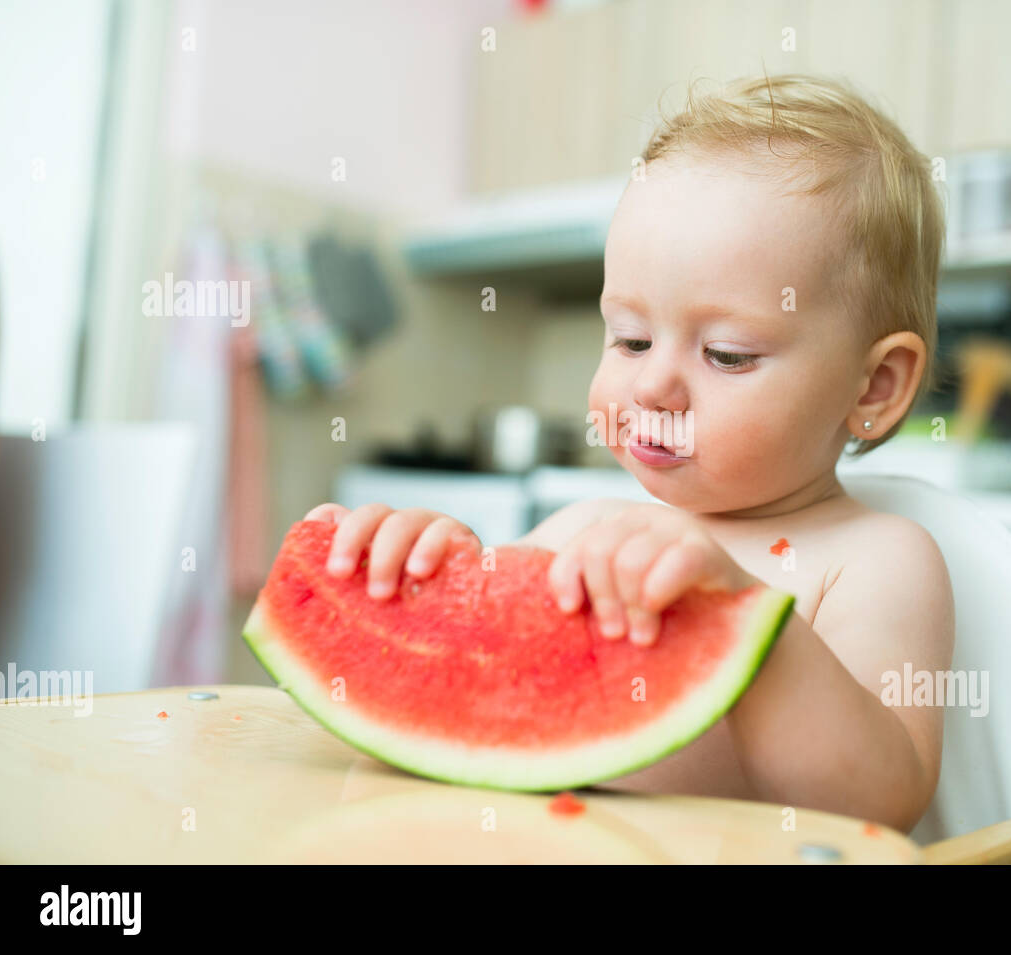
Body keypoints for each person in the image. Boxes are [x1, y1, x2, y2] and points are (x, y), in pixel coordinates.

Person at [304, 74, 954, 834]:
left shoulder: (876, 561)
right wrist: (421, 593)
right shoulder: (576, 531)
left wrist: (744, 620)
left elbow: (882, 802)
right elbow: (438, 722)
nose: (652, 384)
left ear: (874, 385)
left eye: (727, 353)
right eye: (631, 338)